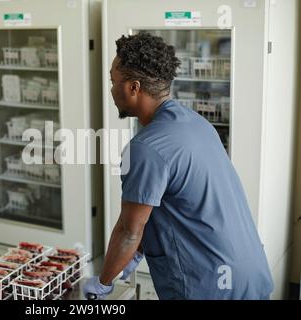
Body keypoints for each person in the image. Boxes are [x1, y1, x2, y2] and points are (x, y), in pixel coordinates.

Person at [82, 33, 274, 300]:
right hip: (248, 273)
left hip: (210, 284)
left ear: (134, 87)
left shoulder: (146, 147)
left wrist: (103, 281)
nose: (112, 89)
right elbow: (182, 199)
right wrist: (138, 250)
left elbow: (129, 229)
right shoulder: (196, 123)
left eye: (113, 81)